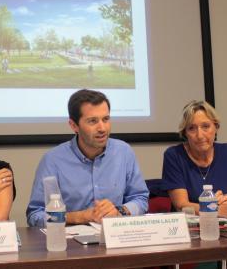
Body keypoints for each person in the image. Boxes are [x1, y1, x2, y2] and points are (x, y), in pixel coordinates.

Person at [26, 89, 149, 227]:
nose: (102, 128)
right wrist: (77, 217)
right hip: (71, 244)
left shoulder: (123, 152)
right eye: (93, 121)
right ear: (74, 125)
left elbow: (141, 199)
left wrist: (119, 211)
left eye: (106, 119)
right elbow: (35, 215)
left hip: (115, 238)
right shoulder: (53, 161)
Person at [162, 100, 227, 219]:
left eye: (205, 126)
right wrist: (215, 209)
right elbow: (181, 206)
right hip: (190, 230)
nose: (199, 135)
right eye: (192, 128)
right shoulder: (174, 155)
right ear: (185, 133)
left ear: (216, 127)